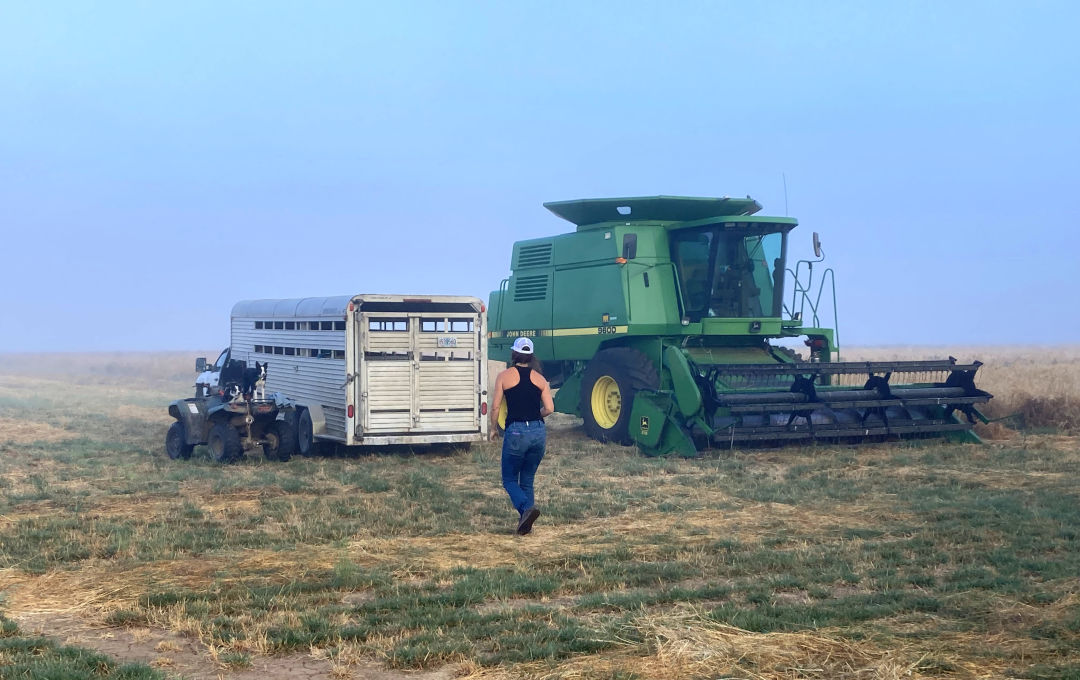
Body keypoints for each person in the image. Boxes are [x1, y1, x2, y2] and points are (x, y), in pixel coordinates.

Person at [489, 336, 554, 535]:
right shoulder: (540, 379)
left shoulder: (504, 376)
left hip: (516, 431)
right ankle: (526, 525)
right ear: (531, 356)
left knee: (509, 478)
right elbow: (550, 408)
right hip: (538, 432)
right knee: (527, 479)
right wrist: (536, 415)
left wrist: (493, 429)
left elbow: (496, 407)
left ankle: (526, 509)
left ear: (514, 354)